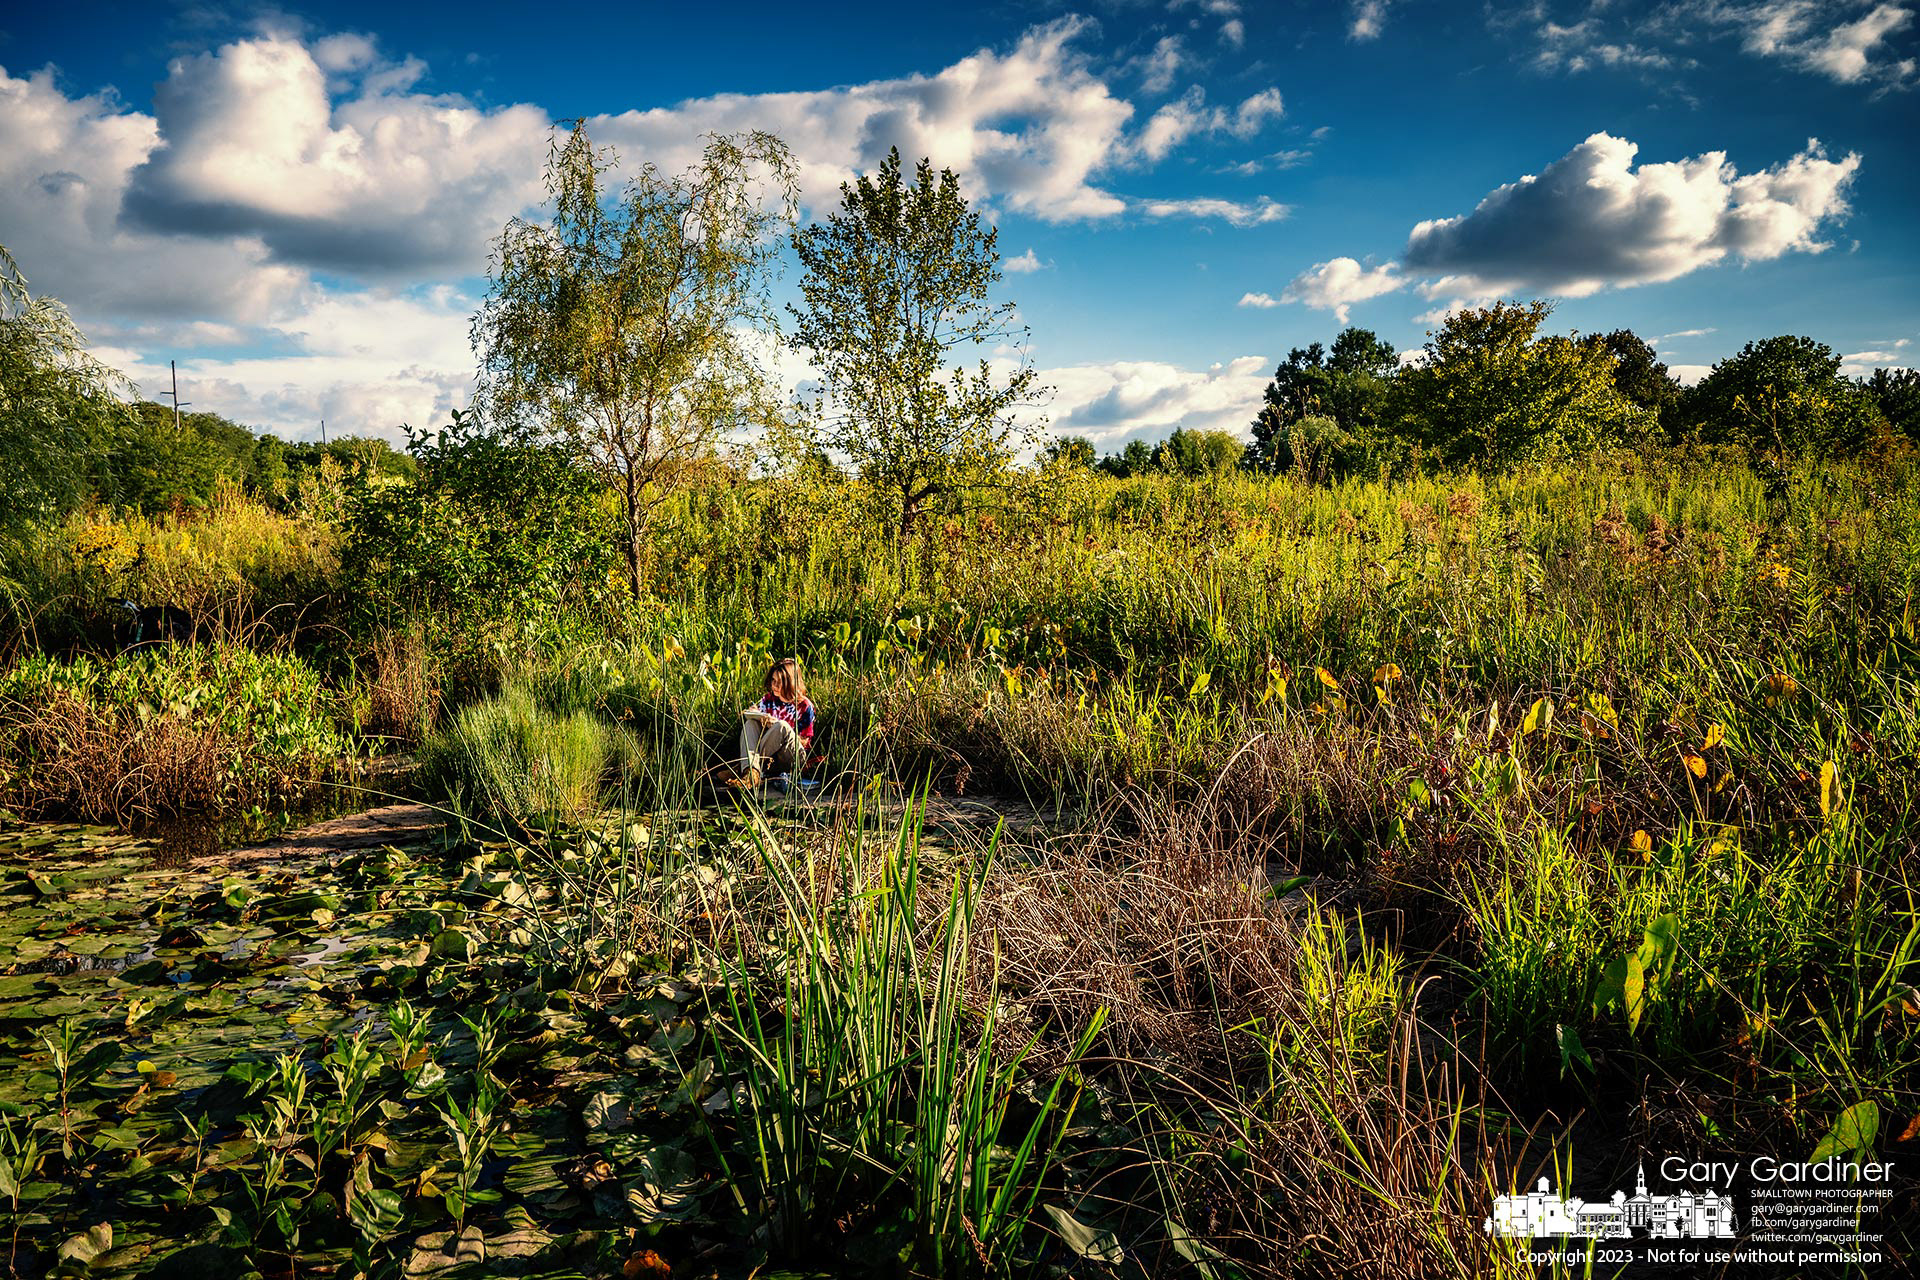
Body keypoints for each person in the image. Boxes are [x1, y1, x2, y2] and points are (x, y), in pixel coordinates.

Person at [728, 657, 815, 789]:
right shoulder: (768, 699)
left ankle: (744, 767)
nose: (774, 686)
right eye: (773, 680)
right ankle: (751, 774)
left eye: (779, 683)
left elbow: (805, 742)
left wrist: (777, 727)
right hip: (769, 758)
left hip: (792, 757)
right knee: (750, 724)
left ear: (790, 683)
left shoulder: (804, 706)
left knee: (782, 727)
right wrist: (758, 716)